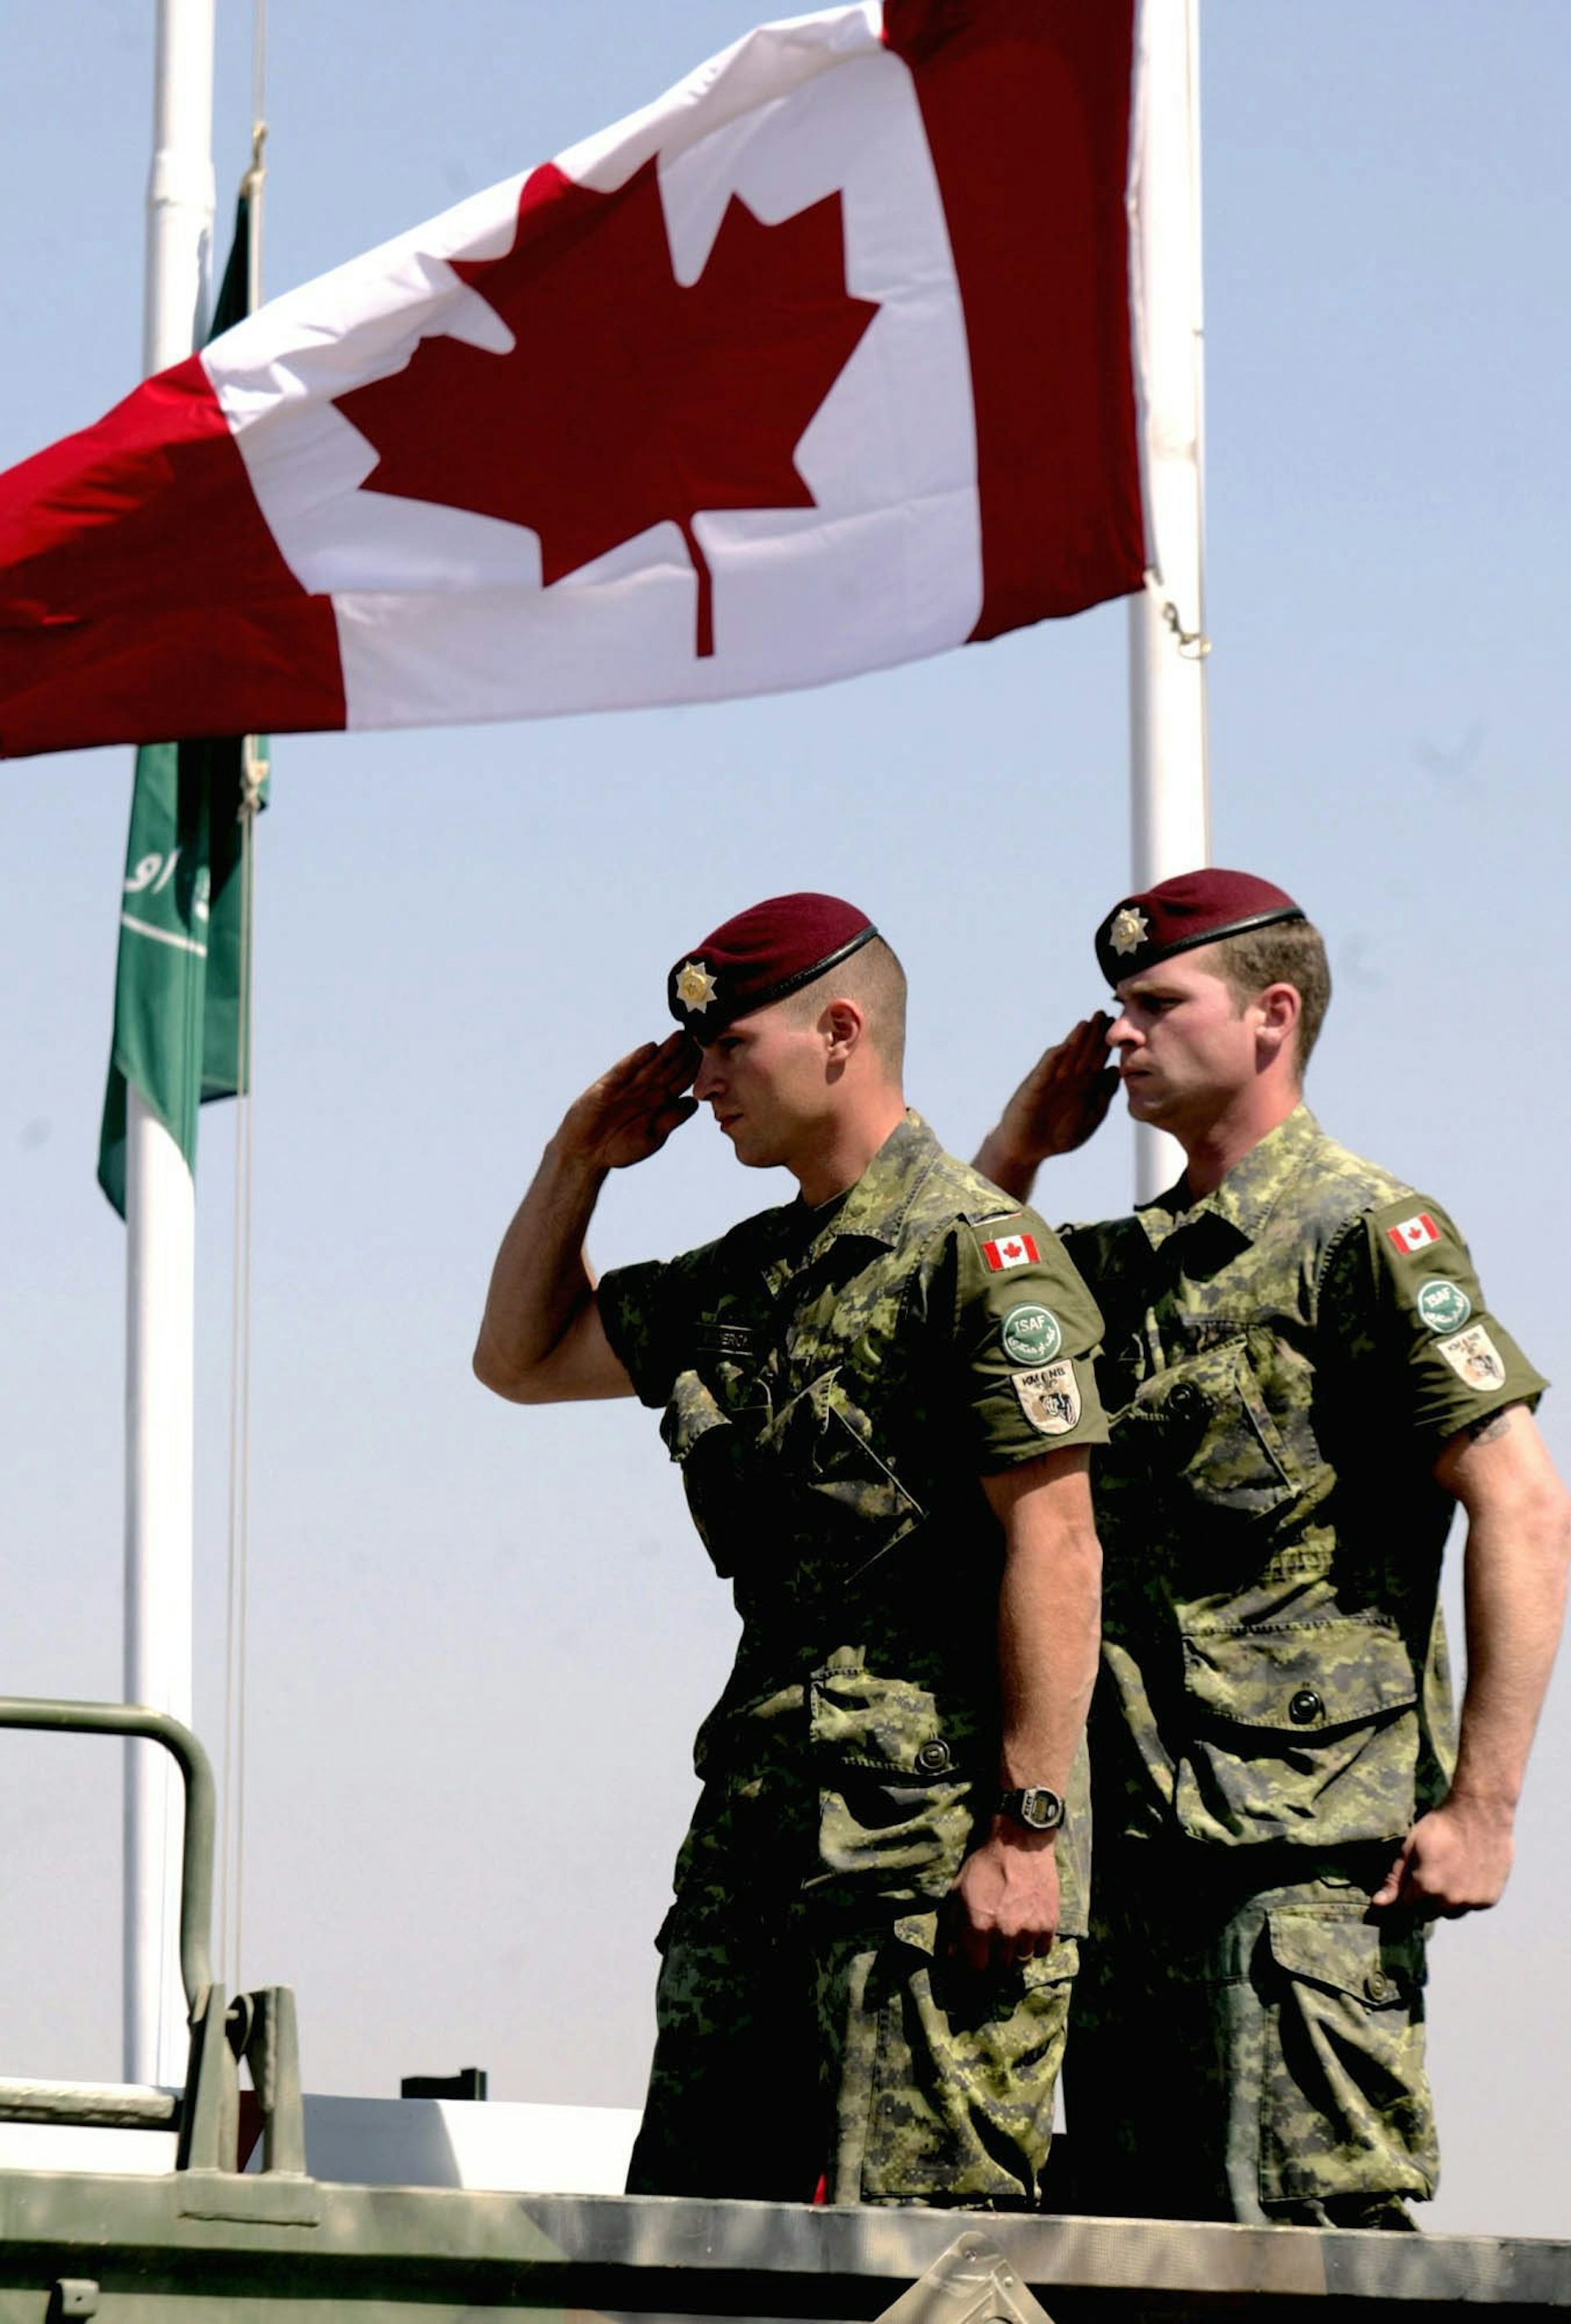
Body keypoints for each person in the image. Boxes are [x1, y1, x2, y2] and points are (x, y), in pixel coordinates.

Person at [474, 893, 1108, 2207]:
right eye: (691, 1053)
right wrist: (575, 1155)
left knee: (925, 2259)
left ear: (837, 1032)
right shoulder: (749, 1276)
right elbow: (519, 1359)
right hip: (758, 1835)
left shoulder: (980, 1255)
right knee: (699, 2254)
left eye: (729, 1048)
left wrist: (1028, 1828)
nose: (702, 1082)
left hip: (928, 1853)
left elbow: (1057, 1540)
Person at [975, 867, 1571, 2229]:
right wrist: (1017, 1147)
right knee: (1136, 2259)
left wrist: (1484, 1806)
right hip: (1131, 1858)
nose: (1117, 1035)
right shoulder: (1120, 1269)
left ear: (1271, 1017)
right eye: (1111, 1007)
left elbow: (1527, 1505)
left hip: (1307, 1867)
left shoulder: (1366, 1235)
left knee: (1306, 2254)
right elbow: (956, 1300)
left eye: (1155, 1003)